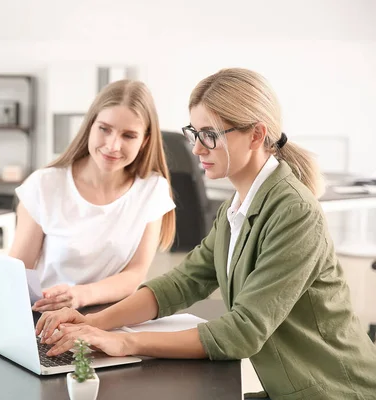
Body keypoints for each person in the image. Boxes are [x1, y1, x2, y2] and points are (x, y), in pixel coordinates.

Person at [35, 68, 376, 399]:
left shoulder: (294, 212)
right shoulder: (237, 207)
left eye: (210, 135)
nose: (197, 149)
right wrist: (94, 323)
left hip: (336, 391)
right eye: (194, 133)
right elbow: (182, 283)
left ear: (256, 135)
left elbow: (243, 331)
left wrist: (124, 342)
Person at [0, 79, 176, 314]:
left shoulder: (152, 190)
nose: (113, 145)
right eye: (104, 129)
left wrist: (79, 295)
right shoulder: (45, 185)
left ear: (145, 140)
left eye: (128, 136)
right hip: (45, 318)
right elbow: (19, 268)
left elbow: (135, 274)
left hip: (109, 321)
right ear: (90, 126)